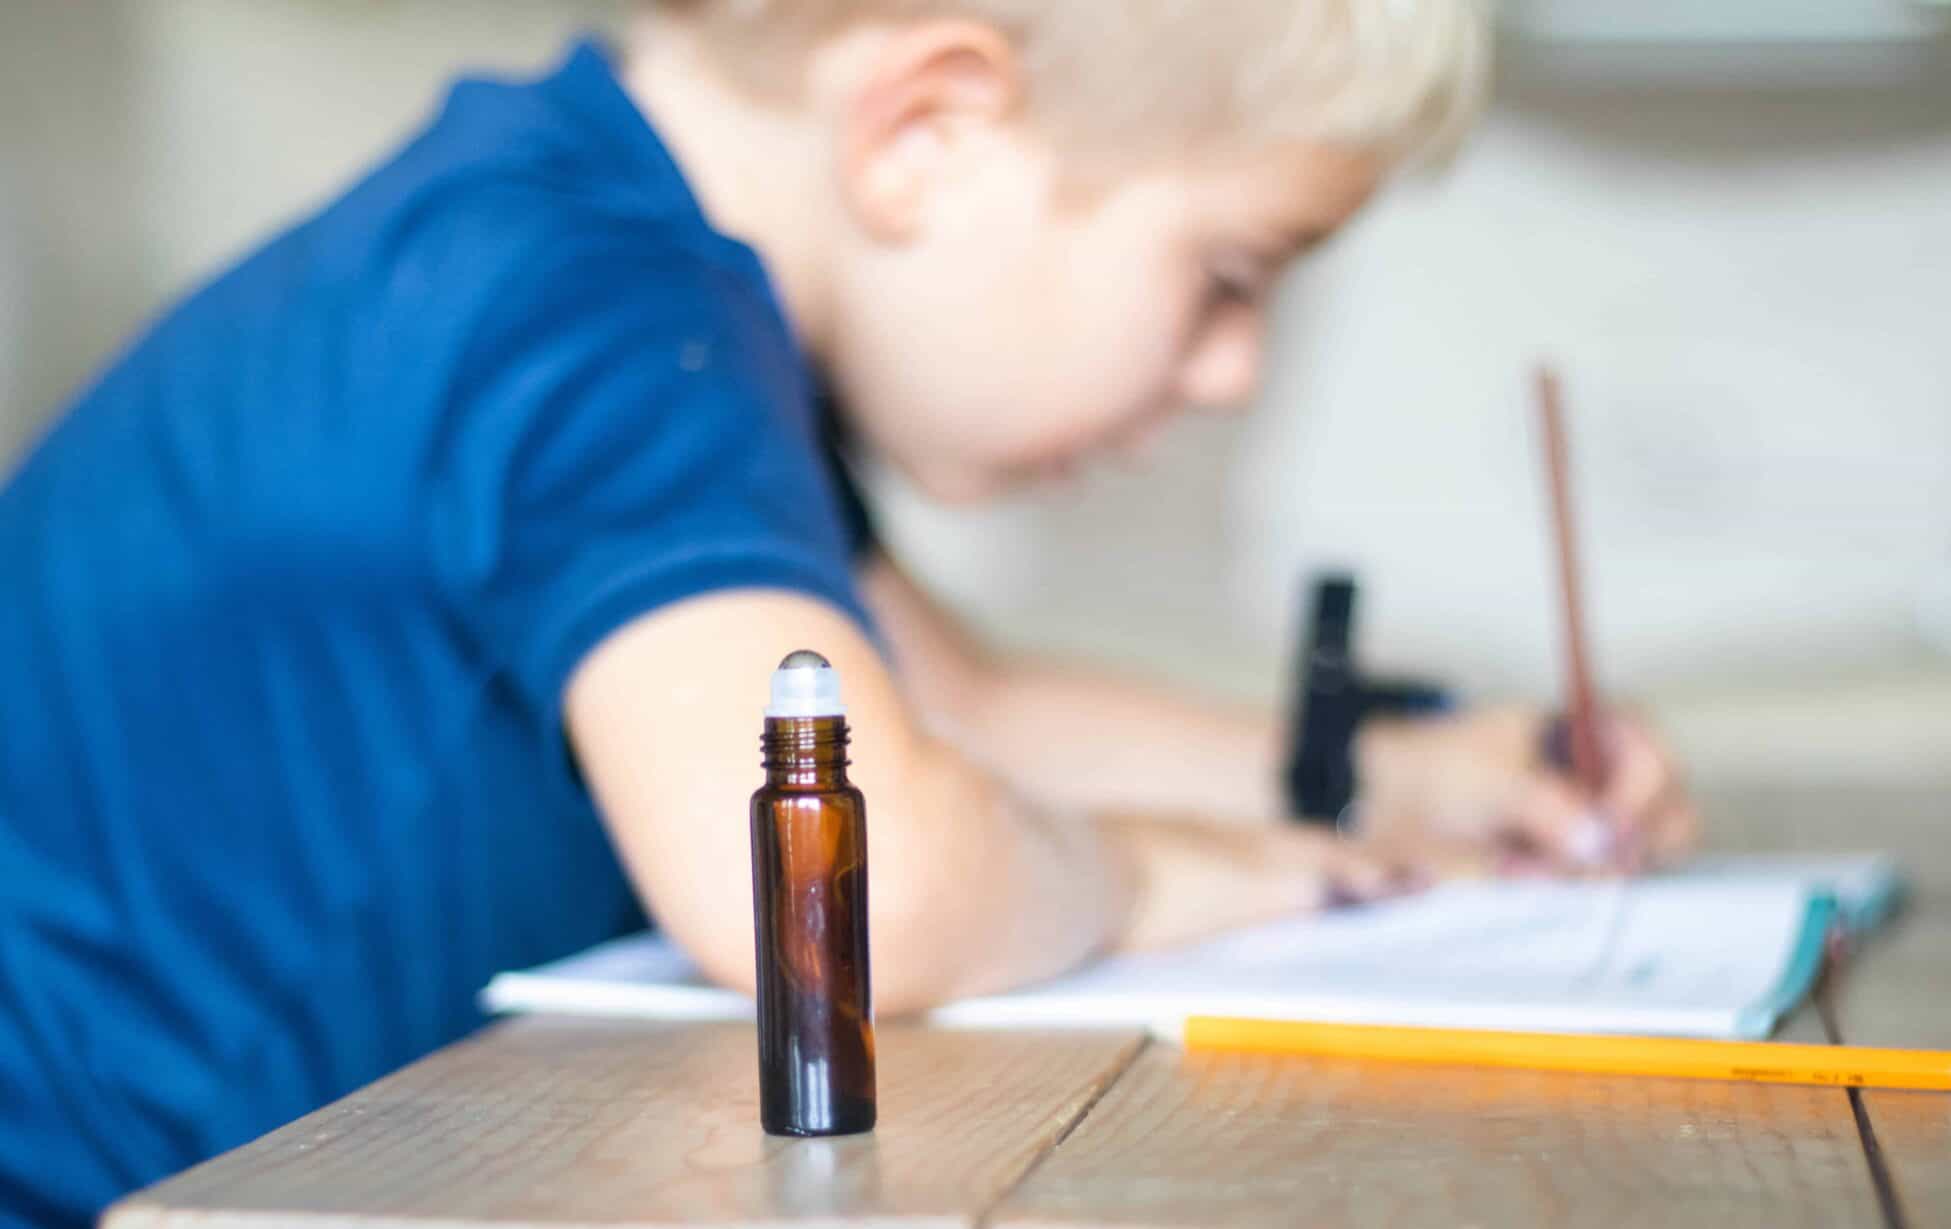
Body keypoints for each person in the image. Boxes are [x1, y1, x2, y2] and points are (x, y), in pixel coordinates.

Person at [0, 3, 1697, 1223]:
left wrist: (1377, 777)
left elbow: (952, 701)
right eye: (1229, 278)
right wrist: (1167, 873)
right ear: (930, 126)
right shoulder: (593, 314)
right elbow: (858, 882)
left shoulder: (620, 270)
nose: (1232, 372)